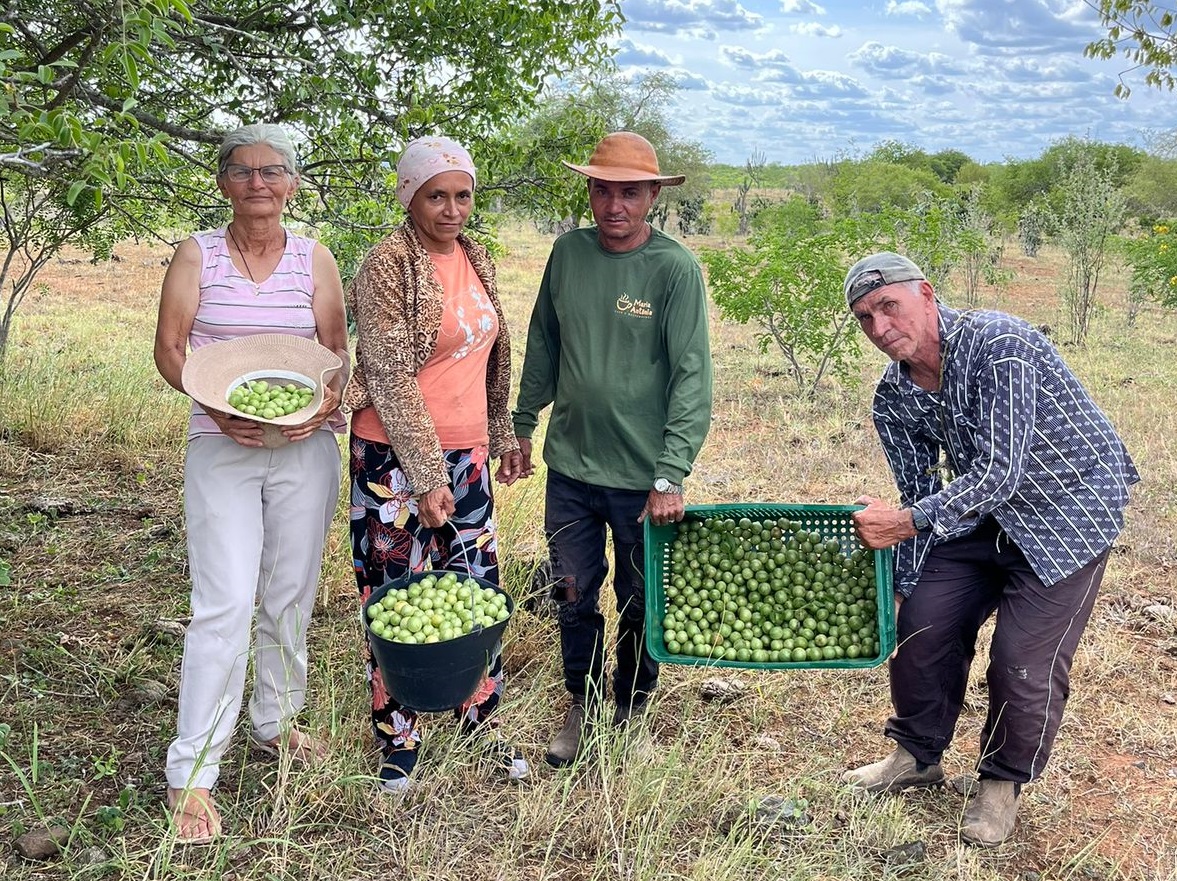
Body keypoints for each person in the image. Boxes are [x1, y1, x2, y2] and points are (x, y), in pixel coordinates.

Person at [842, 251, 1139, 847]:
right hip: (981, 513)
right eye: (865, 318)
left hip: (1068, 510)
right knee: (922, 625)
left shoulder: (999, 344)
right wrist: (902, 585)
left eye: (889, 306)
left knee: (1021, 659)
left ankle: (1001, 784)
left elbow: (1001, 472)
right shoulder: (892, 397)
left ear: (927, 294)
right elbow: (919, 493)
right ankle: (915, 756)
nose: (880, 327)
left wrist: (906, 522)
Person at [153, 123, 349, 844]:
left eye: (272, 171)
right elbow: (170, 348)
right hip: (222, 444)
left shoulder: (314, 258)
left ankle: (274, 720)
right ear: (222, 182)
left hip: (303, 447)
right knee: (225, 602)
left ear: (293, 183)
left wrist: (323, 405)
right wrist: (215, 404)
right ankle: (193, 770)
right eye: (241, 171)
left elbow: (335, 351)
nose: (257, 183)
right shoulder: (196, 254)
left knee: (291, 590)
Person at [511, 131, 714, 768]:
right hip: (571, 465)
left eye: (629, 193)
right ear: (590, 192)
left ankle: (632, 705)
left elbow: (691, 376)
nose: (614, 205)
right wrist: (522, 422)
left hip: (641, 476)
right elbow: (544, 340)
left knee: (640, 594)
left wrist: (671, 473)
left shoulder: (673, 268)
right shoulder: (568, 253)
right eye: (602, 190)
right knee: (571, 588)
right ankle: (583, 698)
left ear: (653, 195)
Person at [343, 135, 528, 793]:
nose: (452, 210)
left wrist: (499, 435)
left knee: (474, 592)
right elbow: (389, 376)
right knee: (396, 595)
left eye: (462, 195)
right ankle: (398, 740)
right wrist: (425, 477)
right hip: (394, 462)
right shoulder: (386, 265)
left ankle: (479, 723)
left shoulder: (474, 255)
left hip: (465, 455)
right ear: (409, 198)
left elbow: (487, 355)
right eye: (436, 197)